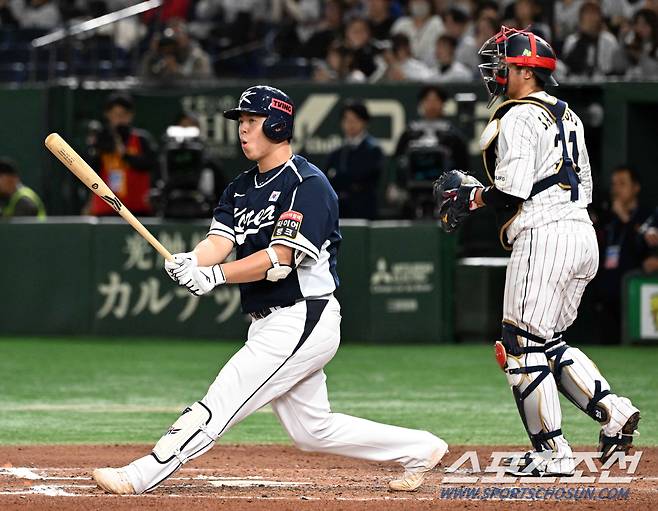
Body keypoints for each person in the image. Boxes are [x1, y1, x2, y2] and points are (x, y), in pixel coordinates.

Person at [92, 85, 448, 495]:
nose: (242, 131)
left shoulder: (308, 185)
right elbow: (219, 242)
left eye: (251, 121)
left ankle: (141, 475)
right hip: (269, 322)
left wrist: (217, 276)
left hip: (303, 316)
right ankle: (421, 448)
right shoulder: (240, 186)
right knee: (312, 430)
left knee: (223, 398)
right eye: (240, 122)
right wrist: (194, 259)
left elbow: (281, 258)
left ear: (278, 124)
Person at [433, 26, 640, 476]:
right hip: (580, 231)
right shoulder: (569, 115)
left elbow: (511, 192)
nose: (496, 72)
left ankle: (551, 454)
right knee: (550, 343)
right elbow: (571, 184)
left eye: (504, 65)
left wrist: (471, 199)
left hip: (544, 233)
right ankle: (616, 412)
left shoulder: (518, 116)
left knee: (520, 346)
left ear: (526, 71)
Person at [391, 85, 468, 219]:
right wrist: (396, 186)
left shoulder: (452, 136)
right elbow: (397, 161)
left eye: (436, 101)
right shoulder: (410, 133)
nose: (432, 105)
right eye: (428, 101)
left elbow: (463, 164)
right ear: (421, 103)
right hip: (413, 193)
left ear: (443, 104)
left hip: (445, 193)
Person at [595, 166, 651, 344]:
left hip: (632, 293)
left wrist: (625, 217)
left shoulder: (646, 215)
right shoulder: (606, 216)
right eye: (614, 184)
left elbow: (644, 247)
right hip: (605, 292)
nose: (616, 189)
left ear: (636, 187)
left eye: (622, 184)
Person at [87, 93, 158, 216]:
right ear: (107, 115)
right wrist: (96, 149)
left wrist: (124, 154)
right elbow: (89, 172)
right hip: (106, 210)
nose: (119, 119)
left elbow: (150, 164)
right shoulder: (102, 139)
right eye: (115, 114)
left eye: (123, 115)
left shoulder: (141, 139)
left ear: (130, 116)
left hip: (138, 210)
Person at [325, 101, 384, 219]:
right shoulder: (337, 153)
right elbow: (328, 180)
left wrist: (340, 177)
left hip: (364, 211)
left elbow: (364, 177)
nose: (350, 124)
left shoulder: (373, 150)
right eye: (347, 120)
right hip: (340, 212)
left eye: (355, 120)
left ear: (364, 122)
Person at [562, 1, 623, 77]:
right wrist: (583, 37)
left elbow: (616, 70)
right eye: (587, 13)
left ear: (600, 17)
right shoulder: (571, 41)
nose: (590, 17)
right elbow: (570, 68)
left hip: (604, 84)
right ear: (581, 18)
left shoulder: (609, 40)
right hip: (578, 85)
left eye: (594, 13)